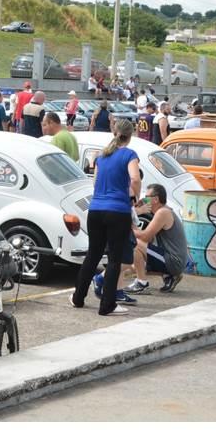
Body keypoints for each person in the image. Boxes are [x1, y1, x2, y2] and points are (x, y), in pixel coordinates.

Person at [71, 119, 141, 316]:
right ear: (131, 134)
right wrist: (134, 195)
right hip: (118, 210)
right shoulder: (129, 155)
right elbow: (135, 178)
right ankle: (107, 304)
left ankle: (78, 297)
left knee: (92, 255)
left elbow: (95, 183)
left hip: (96, 209)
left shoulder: (102, 156)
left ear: (114, 132)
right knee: (114, 259)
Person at [130, 183, 189, 293]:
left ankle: (141, 283)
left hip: (173, 261)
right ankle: (169, 276)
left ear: (156, 199)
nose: (144, 200)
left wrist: (128, 228)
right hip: (174, 260)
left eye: (147, 197)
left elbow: (145, 237)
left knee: (136, 243)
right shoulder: (163, 210)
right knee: (135, 265)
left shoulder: (162, 213)